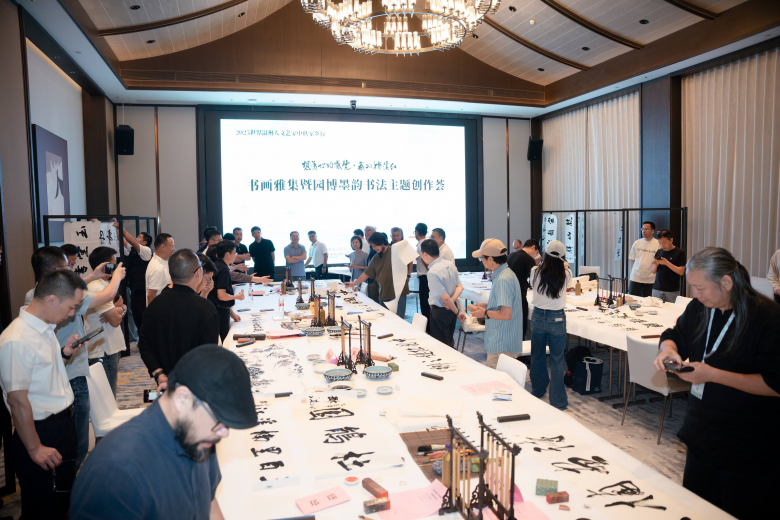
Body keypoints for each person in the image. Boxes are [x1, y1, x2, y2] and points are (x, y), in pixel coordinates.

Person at [653, 247, 780, 519]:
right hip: (701, 432)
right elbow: (673, 335)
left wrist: (712, 375)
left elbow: (774, 384)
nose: (695, 294)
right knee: (697, 508)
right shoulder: (699, 308)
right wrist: (668, 350)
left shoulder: (766, 317)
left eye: (700, 287)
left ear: (726, 282)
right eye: (692, 287)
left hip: (748, 441)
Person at [71, 345, 258, 520]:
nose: (224, 433)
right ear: (182, 399)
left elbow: (209, 505)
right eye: (219, 420)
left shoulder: (199, 436)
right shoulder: (116, 474)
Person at [24, 247, 126, 475]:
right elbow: (106, 296)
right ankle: (70, 486)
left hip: (60, 371)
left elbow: (70, 287)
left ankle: (66, 483)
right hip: (71, 374)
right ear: (56, 270)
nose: (72, 269)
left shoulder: (34, 295)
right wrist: (117, 276)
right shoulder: (61, 297)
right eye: (68, 266)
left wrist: (93, 276)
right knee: (77, 443)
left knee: (67, 439)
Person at [1, 271, 90, 518]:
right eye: (71, 307)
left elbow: (44, 374)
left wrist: (65, 353)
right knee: (42, 507)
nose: (71, 314)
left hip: (61, 425)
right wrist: (35, 448)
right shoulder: (17, 340)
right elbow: (17, 400)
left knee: (61, 500)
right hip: (40, 431)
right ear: (51, 299)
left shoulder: (45, 328)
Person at [139, 249, 220, 393]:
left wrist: (158, 372)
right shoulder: (205, 308)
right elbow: (208, 355)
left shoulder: (155, 305)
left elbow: (144, 344)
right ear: (198, 273)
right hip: (195, 386)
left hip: (165, 384)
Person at [528, 241, 572, 410]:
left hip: (538, 316)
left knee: (537, 356)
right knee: (557, 359)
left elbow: (532, 283)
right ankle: (558, 400)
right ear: (563, 256)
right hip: (557, 318)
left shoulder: (535, 271)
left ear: (545, 254)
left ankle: (538, 390)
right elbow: (567, 285)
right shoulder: (566, 273)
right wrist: (564, 263)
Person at [468, 240, 523, 369]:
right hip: (503, 339)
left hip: (501, 342)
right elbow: (506, 305)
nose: (481, 261)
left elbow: (506, 314)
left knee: (497, 380)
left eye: (482, 258)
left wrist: (485, 313)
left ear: (491, 259)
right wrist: (488, 305)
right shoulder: (505, 274)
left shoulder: (503, 279)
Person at [84, 247, 128, 397]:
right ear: (105, 266)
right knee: (107, 396)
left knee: (107, 394)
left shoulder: (105, 285)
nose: (117, 267)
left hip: (108, 346)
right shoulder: (96, 287)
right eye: (114, 264)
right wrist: (121, 309)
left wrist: (119, 309)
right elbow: (115, 320)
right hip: (103, 349)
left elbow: (116, 313)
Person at [346, 233, 411, 318]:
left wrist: (408, 274)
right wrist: (354, 284)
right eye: (372, 246)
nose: (375, 248)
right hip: (383, 293)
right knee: (384, 319)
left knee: (398, 320)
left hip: (398, 293)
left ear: (382, 242)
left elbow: (409, 259)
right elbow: (367, 273)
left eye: (376, 245)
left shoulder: (394, 251)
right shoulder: (376, 257)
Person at [420, 239, 463, 347]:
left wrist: (457, 312)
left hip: (440, 311)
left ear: (425, 254)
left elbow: (445, 299)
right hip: (451, 308)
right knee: (449, 341)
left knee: (441, 346)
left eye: (421, 253)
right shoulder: (449, 264)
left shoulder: (433, 272)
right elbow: (460, 287)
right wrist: (452, 302)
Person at [112, 220, 153, 332]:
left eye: (139, 237)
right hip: (134, 289)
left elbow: (130, 241)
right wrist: (116, 227)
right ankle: (141, 337)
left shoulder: (146, 251)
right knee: (136, 317)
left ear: (144, 242)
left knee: (143, 316)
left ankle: (146, 337)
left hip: (142, 290)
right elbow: (123, 239)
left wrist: (121, 227)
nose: (136, 238)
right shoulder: (134, 250)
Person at [208, 240, 244, 341]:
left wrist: (232, 314)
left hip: (216, 309)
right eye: (234, 252)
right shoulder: (223, 269)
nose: (235, 255)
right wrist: (237, 297)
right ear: (227, 254)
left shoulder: (216, 265)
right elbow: (221, 295)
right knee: (225, 340)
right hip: (220, 312)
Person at [508, 239, 540, 340]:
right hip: (519, 296)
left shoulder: (511, 255)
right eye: (536, 253)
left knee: (509, 325)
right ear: (533, 248)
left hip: (507, 294)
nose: (535, 255)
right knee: (520, 325)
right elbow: (535, 280)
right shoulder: (528, 259)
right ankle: (519, 348)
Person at [651, 229, 686, 303]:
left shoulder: (680, 252)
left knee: (671, 309)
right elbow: (653, 271)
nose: (662, 245)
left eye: (664, 242)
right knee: (655, 309)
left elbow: (681, 272)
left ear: (671, 240)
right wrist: (655, 265)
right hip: (657, 288)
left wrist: (667, 263)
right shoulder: (659, 251)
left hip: (671, 290)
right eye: (660, 243)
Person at [628, 221, 659, 297]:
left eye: (647, 229)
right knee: (632, 298)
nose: (644, 231)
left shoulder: (657, 244)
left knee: (648, 300)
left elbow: (658, 261)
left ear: (652, 231)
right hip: (636, 277)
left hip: (650, 278)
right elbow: (633, 259)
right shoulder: (637, 243)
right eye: (642, 229)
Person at [146, 233, 175, 305]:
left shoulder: (163, 262)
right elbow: (151, 295)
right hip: (160, 309)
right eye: (172, 246)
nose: (174, 249)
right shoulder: (157, 268)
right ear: (163, 247)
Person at [414, 223, 431, 331]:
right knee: (426, 304)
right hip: (425, 277)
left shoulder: (421, 245)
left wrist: (430, 269)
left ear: (416, 232)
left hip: (425, 277)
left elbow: (426, 261)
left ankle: (428, 330)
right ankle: (429, 329)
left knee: (425, 305)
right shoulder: (425, 243)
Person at [390, 227, 412, 317]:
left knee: (401, 304)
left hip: (402, 278)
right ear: (391, 236)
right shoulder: (388, 247)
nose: (395, 237)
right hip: (391, 279)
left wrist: (408, 275)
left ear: (401, 235)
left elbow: (410, 262)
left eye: (397, 235)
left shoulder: (405, 246)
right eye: (393, 236)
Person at [363, 226, 380, 302]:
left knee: (375, 302)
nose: (367, 238)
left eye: (369, 236)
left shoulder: (378, 248)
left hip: (376, 280)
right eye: (366, 236)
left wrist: (376, 277)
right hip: (371, 279)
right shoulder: (371, 247)